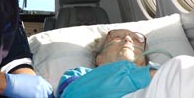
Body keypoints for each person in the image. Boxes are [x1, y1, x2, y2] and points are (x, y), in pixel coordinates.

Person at [56, 29, 194, 98]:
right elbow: (72, 95)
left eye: (136, 39)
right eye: (116, 37)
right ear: (99, 58)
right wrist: (146, 76)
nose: (128, 39)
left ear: (145, 59)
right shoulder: (80, 75)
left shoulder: (163, 71)